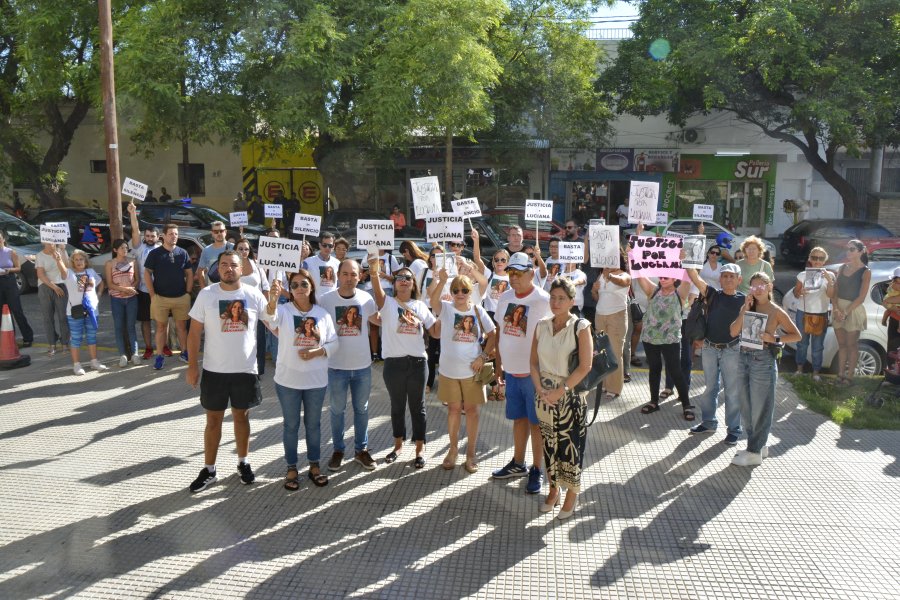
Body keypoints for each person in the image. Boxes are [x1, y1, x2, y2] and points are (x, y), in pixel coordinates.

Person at [185, 251, 268, 492]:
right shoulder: (207, 295)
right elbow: (193, 334)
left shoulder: (253, 295)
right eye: (224, 265)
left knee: (242, 417)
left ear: (242, 269)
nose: (228, 269)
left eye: (233, 265)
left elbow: (274, 323)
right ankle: (209, 469)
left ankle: (243, 462)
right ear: (217, 269)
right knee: (213, 421)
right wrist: (192, 366)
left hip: (245, 370)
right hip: (214, 371)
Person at [263, 269, 338, 489]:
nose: (299, 289)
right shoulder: (284, 310)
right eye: (294, 285)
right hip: (288, 381)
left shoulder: (322, 314)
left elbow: (334, 343)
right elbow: (269, 319)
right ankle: (292, 467)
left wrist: (318, 352)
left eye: (303, 284)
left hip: (316, 381)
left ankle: (314, 466)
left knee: (313, 425)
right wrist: (273, 299)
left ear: (311, 287)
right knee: (291, 425)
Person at [531, 277, 593, 519]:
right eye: (553, 297)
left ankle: (572, 494)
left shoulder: (581, 326)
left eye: (561, 298)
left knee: (571, 449)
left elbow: (585, 366)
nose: (555, 302)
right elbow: (533, 363)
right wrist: (539, 389)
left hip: (570, 397)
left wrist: (560, 391)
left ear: (571, 301)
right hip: (544, 396)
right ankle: (553, 489)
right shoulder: (541, 325)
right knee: (549, 447)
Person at [491, 252, 551, 494]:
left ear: (530, 272)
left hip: (534, 375)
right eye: (510, 273)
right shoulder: (505, 297)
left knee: (536, 424)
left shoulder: (543, 299)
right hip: (512, 371)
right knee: (518, 420)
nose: (513, 277)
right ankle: (518, 463)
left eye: (518, 273)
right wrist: (498, 369)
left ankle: (537, 469)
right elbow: (499, 332)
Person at [370, 254, 437, 468]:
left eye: (408, 278)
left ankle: (420, 448)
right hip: (394, 365)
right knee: (397, 406)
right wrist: (373, 270)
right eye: (400, 278)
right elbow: (377, 289)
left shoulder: (420, 306)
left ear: (413, 283)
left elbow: (435, 331)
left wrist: (449, 311)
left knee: (418, 408)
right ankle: (397, 446)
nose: (404, 280)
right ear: (394, 283)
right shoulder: (387, 303)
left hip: (418, 364)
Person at [729, 272, 801, 466]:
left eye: (762, 285)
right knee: (746, 405)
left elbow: (796, 335)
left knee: (761, 407)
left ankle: (754, 451)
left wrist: (775, 339)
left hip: (763, 360)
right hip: (743, 356)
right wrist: (744, 310)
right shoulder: (748, 307)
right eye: (753, 285)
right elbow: (733, 331)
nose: (757, 289)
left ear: (770, 287)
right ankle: (759, 445)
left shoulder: (776, 310)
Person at [429, 271, 497, 473]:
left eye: (465, 290)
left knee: (473, 412)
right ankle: (452, 450)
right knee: (453, 410)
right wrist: (441, 282)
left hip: (472, 372)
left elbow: (493, 335)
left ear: (471, 292)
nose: (460, 293)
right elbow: (433, 301)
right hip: (449, 371)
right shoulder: (447, 310)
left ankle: (471, 453)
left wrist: (482, 357)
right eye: (456, 290)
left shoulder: (477, 311)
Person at [319, 260, 379, 472]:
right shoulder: (325, 300)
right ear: (337, 275)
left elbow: (379, 321)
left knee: (361, 409)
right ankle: (338, 450)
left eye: (353, 274)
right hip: (336, 366)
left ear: (360, 276)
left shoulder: (366, 298)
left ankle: (361, 450)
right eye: (345, 274)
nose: (349, 278)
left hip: (362, 365)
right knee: (337, 410)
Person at [685, 262, 745, 445]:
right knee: (710, 388)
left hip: (733, 350)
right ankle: (709, 422)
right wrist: (686, 260)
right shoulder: (712, 294)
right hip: (710, 348)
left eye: (731, 276)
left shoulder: (745, 300)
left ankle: (734, 429)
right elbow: (695, 277)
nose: (727, 279)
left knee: (732, 391)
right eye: (724, 275)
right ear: (720, 278)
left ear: (739, 280)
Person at [144, 224, 193, 369]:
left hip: (181, 297)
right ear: (163, 236)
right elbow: (147, 273)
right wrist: (152, 294)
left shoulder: (183, 253)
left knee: (182, 327)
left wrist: (188, 292)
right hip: (160, 298)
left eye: (176, 234)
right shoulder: (155, 254)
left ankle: (184, 352)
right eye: (171, 233)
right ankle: (159, 356)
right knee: (160, 327)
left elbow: (189, 273)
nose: (174, 236)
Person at [830, 239, 871, 386]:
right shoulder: (842, 267)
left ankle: (850, 376)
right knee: (841, 344)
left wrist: (845, 312)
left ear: (861, 251)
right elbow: (835, 291)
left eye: (852, 249)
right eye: (847, 249)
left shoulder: (866, 271)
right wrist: (835, 308)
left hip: (853, 310)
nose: (848, 252)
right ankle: (840, 375)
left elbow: (861, 297)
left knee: (851, 344)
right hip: (838, 308)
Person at [59, 250, 107, 375]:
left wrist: (99, 294)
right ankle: (76, 365)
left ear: (86, 261)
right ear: (73, 262)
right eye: (76, 259)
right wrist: (58, 258)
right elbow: (62, 270)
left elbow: (101, 283)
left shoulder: (90, 272)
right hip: (75, 311)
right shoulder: (69, 273)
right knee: (76, 338)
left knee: (92, 336)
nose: (79, 262)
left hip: (91, 310)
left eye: (81, 259)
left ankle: (94, 361)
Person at [592, 248, 631, 401]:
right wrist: (594, 290)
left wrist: (610, 276)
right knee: (601, 352)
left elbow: (622, 282)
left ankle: (614, 388)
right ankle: (603, 384)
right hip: (600, 315)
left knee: (615, 352)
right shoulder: (602, 274)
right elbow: (596, 297)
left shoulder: (624, 275)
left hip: (617, 317)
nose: (608, 262)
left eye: (612, 259)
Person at [793, 247, 835, 381]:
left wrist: (829, 279)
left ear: (825, 260)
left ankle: (816, 372)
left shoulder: (831, 275)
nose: (817, 261)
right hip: (803, 312)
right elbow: (796, 293)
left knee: (818, 346)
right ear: (810, 259)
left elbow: (831, 295)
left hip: (821, 313)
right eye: (815, 258)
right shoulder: (802, 275)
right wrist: (801, 292)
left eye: (821, 258)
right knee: (802, 343)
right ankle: (799, 369)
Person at [128, 202, 162, 360]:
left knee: (161, 321)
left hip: (160, 290)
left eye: (152, 236)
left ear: (157, 237)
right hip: (142, 290)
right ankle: (149, 348)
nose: (149, 238)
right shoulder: (139, 247)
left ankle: (163, 347)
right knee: (145, 321)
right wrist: (133, 213)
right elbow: (135, 229)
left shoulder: (162, 248)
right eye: (147, 236)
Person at [235, 238, 270, 374]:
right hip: (238, 310)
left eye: (246, 249)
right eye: (240, 249)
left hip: (256, 310)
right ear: (235, 250)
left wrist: (265, 307)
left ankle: (259, 370)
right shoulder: (232, 266)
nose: (243, 251)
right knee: (240, 341)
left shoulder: (257, 265)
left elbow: (265, 287)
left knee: (259, 340)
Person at [105, 239, 140, 367]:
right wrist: (123, 290)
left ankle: (135, 354)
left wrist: (130, 290)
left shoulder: (133, 261)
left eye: (126, 248)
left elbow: (137, 280)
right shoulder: (110, 263)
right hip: (116, 299)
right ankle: (122, 355)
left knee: (131, 326)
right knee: (119, 327)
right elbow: (109, 284)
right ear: (115, 250)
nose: (125, 250)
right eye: (121, 248)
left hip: (131, 298)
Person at [0, 231, 34, 348]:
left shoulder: (10, 252)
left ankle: (28, 337)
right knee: (2, 314)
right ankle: (9, 339)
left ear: (3, 239)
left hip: (9, 280)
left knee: (16, 310)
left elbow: (18, 268)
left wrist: (9, 270)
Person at [35, 242, 70, 354]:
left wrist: (59, 258)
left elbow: (65, 274)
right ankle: (52, 343)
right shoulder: (40, 255)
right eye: (48, 243)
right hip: (46, 286)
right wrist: (54, 287)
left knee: (63, 316)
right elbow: (40, 275)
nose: (51, 245)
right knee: (48, 317)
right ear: (43, 243)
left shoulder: (61, 252)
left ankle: (65, 343)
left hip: (61, 285)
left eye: (53, 243)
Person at [197, 221, 234, 286]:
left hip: (230, 287)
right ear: (212, 233)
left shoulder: (234, 247)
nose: (219, 234)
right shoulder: (206, 250)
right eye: (216, 232)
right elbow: (200, 270)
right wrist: (203, 289)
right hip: (213, 288)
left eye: (221, 231)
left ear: (225, 232)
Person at [881, 267, 900, 354]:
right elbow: (885, 302)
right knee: (892, 350)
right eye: (896, 282)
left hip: (895, 318)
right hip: (893, 320)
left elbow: (886, 301)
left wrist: (887, 302)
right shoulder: (892, 288)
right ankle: (892, 366)